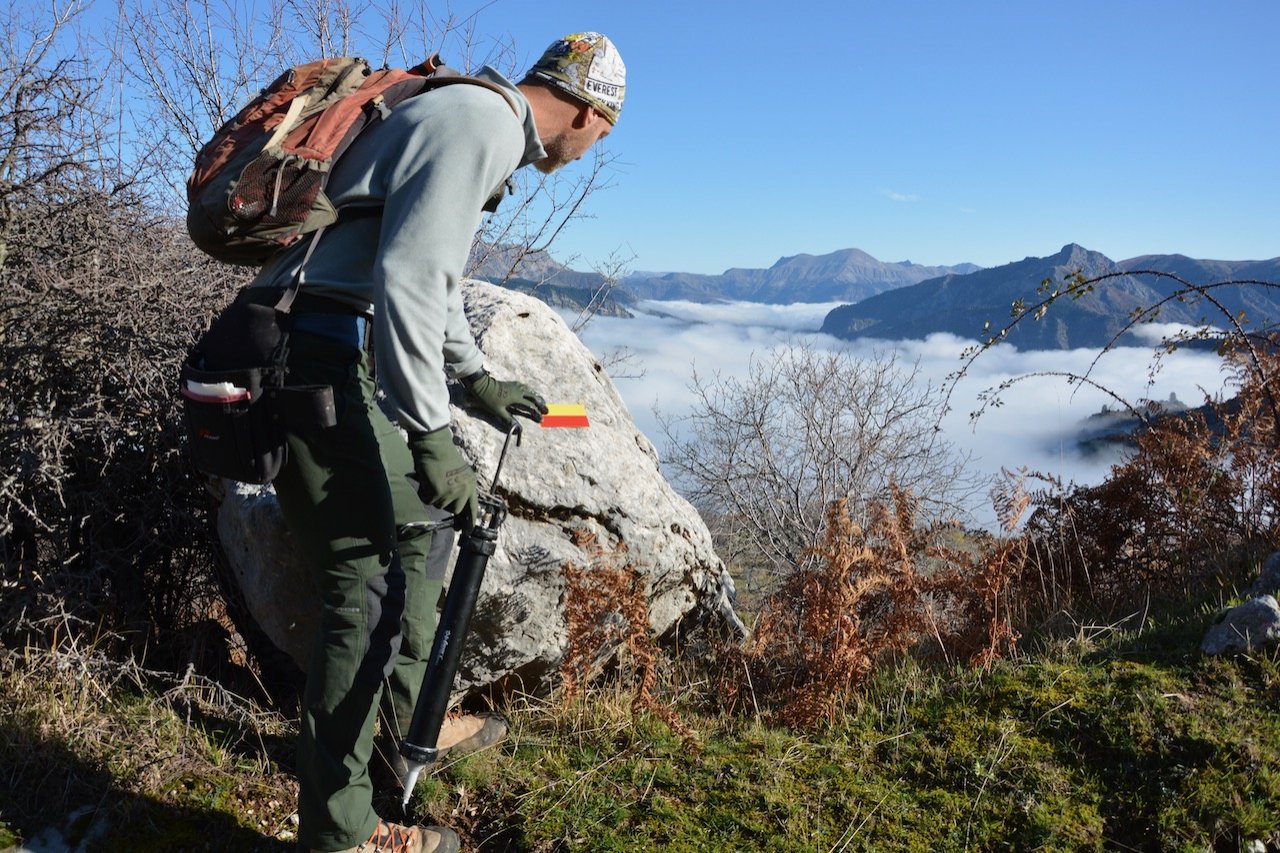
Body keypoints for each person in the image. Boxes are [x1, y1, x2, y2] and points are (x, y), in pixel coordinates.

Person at [244, 32, 626, 853]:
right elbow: (409, 280)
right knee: (366, 584)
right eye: (605, 133)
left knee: (425, 528)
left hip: (330, 342)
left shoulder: (472, 116)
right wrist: (433, 432)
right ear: (591, 113)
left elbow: (428, 273)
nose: (595, 148)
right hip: (316, 353)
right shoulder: (482, 126)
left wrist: (474, 375)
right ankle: (343, 831)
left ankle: (407, 721)